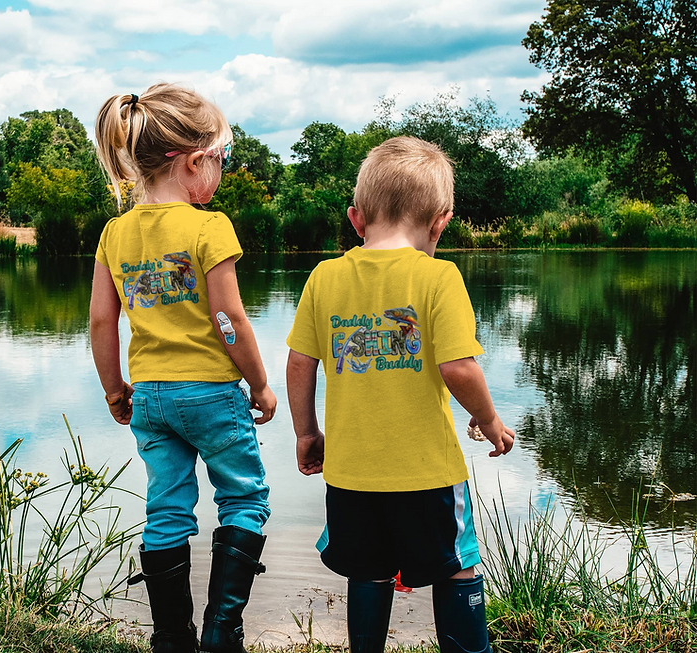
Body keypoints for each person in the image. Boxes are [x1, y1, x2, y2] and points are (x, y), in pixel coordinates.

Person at [285, 136, 515, 653]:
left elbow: (301, 363)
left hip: (352, 476)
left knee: (367, 572)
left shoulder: (324, 277)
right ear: (441, 222)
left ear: (356, 218)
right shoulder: (438, 276)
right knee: (457, 567)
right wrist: (491, 420)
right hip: (427, 473)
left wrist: (306, 433)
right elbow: (458, 367)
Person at [89, 83, 276, 653]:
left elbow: (101, 323)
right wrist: (261, 383)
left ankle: (172, 636)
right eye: (220, 159)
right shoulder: (208, 226)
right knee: (243, 498)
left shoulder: (114, 233)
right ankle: (223, 631)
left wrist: (114, 389)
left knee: (167, 508)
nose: (220, 171)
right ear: (194, 162)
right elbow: (230, 320)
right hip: (212, 393)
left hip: (149, 396)